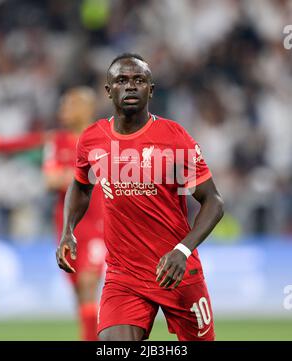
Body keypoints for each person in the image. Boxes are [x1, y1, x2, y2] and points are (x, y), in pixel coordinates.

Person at [56, 54, 224, 341]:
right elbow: (81, 185)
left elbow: (213, 201)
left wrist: (182, 250)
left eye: (139, 80)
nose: (131, 86)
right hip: (124, 277)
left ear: (151, 89)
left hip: (177, 271)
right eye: (122, 80)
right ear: (108, 90)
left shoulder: (174, 137)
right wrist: (68, 230)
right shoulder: (92, 139)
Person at [44, 87, 106, 341]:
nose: (63, 111)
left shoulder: (102, 138)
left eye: (68, 105)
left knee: (88, 283)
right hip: (66, 225)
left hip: (97, 224)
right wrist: (82, 174)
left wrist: (69, 176)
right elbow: (49, 180)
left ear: (85, 108)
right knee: (79, 293)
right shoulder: (56, 141)